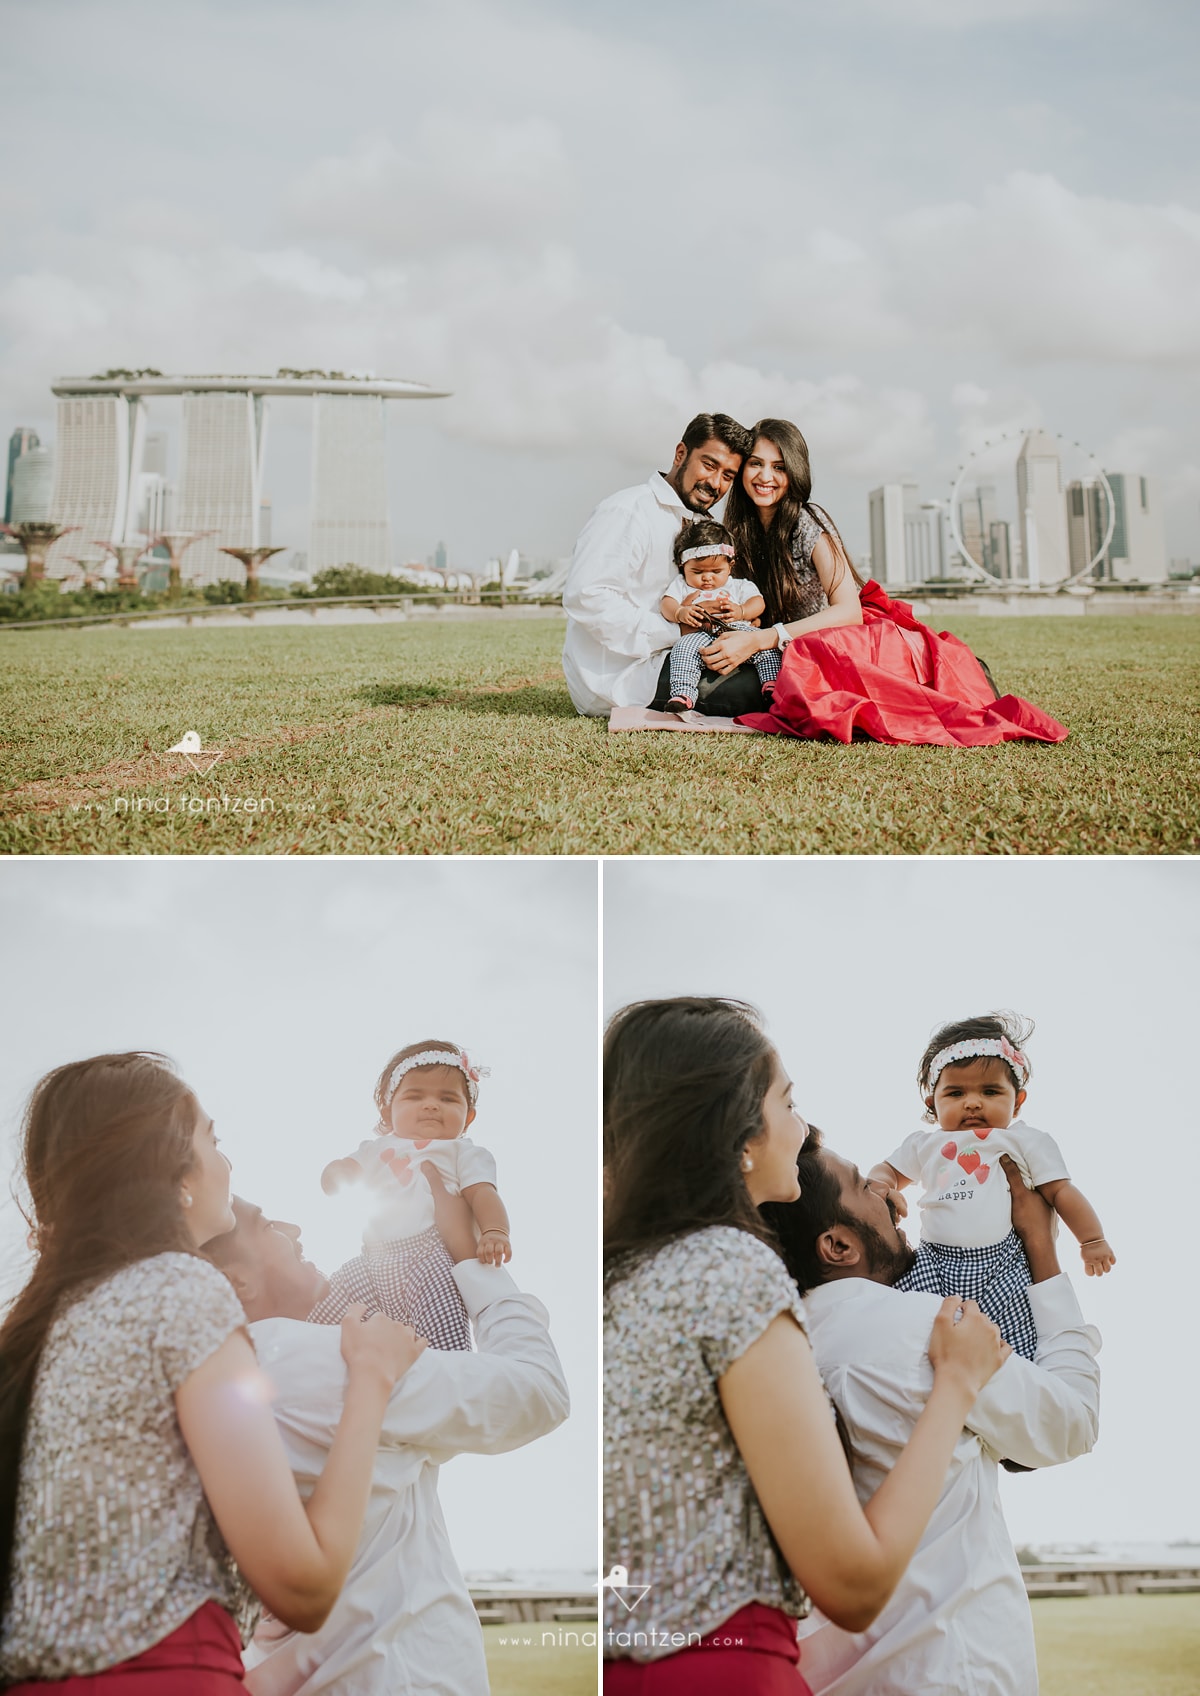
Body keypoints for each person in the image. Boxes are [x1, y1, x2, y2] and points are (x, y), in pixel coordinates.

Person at [603, 997, 1008, 1694]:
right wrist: (956, 1388)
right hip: (725, 1672)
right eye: (788, 1103)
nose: (805, 1126)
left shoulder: (623, 1278)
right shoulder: (729, 1268)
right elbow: (853, 1582)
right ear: (739, 1137)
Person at [0, 1053, 421, 1693]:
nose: (226, 1162)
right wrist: (371, 1378)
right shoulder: (181, 1287)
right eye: (212, 1139)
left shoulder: (39, 1331)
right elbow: (303, 1584)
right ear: (175, 1175)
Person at [762, 1131, 1101, 1695]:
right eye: (860, 1186)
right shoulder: (925, 1329)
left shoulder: (777, 1356)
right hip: (951, 1671)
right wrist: (1042, 1248)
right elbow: (1071, 1423)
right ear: (838, 1246)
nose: (887, 1195)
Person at [205, 1181, 569, 1696]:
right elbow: (539, 1391)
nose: (294, 1228)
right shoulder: (316, 1361)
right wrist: (471, 1262)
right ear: (235, 1281)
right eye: (267, 1225)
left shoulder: (217, 1387)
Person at [703, 418, 1069, 746]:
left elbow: (848, 611)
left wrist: (767, 636)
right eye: (756, 464)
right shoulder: (740, 530)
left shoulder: (807, 523)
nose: (765, 477)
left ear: (795, 472)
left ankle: (967, 675)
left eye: (779, 467)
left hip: (830, 645)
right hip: (784, 649)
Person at [867, 1012, 1115, 1360]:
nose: (972, 1102)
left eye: (990, 1091)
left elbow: (1060, 1192)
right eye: (955, 1093)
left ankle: (1009, 1384)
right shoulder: (923, 1145)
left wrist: (1092, 1239)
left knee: (1014, 1341)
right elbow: (887, 1170)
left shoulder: (1022, 1139)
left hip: (1004, 1262)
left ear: (1018, 1101)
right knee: (908, 1325)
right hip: (935, 1260)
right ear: (932, 1105)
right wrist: (881, 1185)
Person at [562, 413, 770, 717]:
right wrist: (678, 629)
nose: (715, 483)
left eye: (727, 475)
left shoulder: (700, 522)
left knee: (775, 668)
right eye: (709, 465)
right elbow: (587, 598)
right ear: (680, 454)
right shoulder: (627, 510)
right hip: (624, 678)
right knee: (773, 687)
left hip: (682, 654)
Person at [317, 1040, 511, 1351]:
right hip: (373, 1258)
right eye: (414, 1096)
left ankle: (445, 1379)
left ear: (469, 1116)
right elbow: (347, 1171)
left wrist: (495, 1231)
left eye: (448, 1098)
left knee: (439, 1332)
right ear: (388, 1112)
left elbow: (482, 1194)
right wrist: (335, 1173)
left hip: (430, 1254)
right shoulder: (375, 1149)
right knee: (327, 1302)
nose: (431, 1104)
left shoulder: (463, 1151)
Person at [658, 519, 780, 712]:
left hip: (737, 631)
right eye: (697, 571)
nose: (707, 577)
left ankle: (772, 685)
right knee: (682, 651)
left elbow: (758, 602)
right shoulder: (682, 585)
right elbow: (666, 603)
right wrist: (680, 612)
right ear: (683, 567)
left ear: (730, 566)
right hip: (699, 635)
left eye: (716, 571)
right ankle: (683, 694)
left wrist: (742, 611)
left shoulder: (738, 585)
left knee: (766, 647)